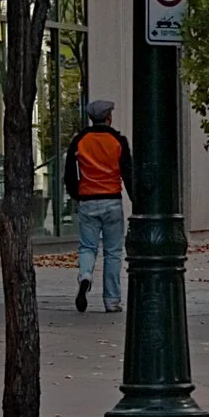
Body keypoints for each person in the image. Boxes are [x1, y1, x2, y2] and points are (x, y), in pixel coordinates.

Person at [70, 97, 132, 313]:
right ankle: (111, 300)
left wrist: (77, 194)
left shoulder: (80, 141)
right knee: (113, 252)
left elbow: (70, 174)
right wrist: (135, 198)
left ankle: (85, 275)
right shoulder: (118, 141)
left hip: (88, 199)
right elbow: (127, 172)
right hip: (111, 199)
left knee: (88, 247)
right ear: (108, 117)